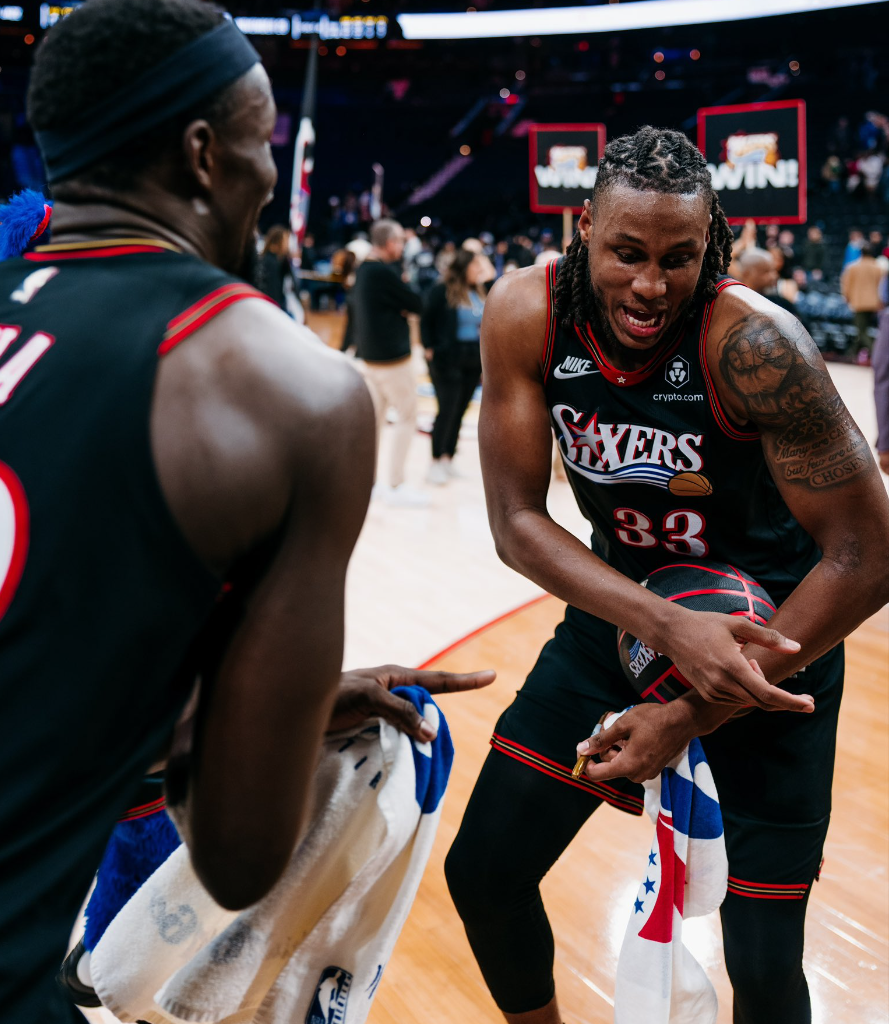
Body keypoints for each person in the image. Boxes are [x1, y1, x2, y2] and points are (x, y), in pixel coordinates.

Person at [0, 4, 494, 1022]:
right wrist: (273, 714)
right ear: (201, 153)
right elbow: (236, 852)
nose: (271, 172)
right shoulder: (277, 387)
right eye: (263, 139)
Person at [446, 126, 889, 1024]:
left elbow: (867, 553)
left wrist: (692, 711)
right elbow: (516, 522)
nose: (649, 285)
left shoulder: (755, 345)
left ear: (710, 242)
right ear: (584, 229)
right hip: (618, 621)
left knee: (762, 964)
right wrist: (661, 623)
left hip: (774, 640)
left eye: (677, 258)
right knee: (484, 872)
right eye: (626, 253)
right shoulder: (526, 313)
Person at [349, 218, 428, 507]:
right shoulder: (382, 272)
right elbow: (416, 303)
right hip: (392, 360)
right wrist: (403, 303)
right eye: (401, 242)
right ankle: (395, 484)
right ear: (391, 243)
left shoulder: (364, 269)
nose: (403, 247)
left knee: (376, 423)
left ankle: (368, 484)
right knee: (407, 417)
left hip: (370, 358)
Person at [421, 247, 493, 484]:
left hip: (473, 358)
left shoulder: (480, 290)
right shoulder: (441, 290)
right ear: (464, 267)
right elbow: (426, 319)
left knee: (461, 409)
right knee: (447, 409)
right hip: (447, 358)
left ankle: (448, 458)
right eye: (475, 265)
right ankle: (435, 460)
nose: (479, 269)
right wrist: (429, 347)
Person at [841, 243, 884, 362]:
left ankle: (875, 353)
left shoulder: (853, 267)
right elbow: (881, 286)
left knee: (862, 330)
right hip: (874, 302)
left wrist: (847, 297)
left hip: (859, 302)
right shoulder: (878, 267)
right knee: (863, 329)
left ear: (861, 253)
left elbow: (846, 284)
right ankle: (852, 352)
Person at [733, 245, 798, 314]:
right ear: (747, 273)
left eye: (773, 271)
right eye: (766, 272)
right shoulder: (735, 300)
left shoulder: (779, 303)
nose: (774, 276)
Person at [256, 223, 297, 312]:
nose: (287, 245)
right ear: (278, 242)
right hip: (272, 306)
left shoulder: (279, 260)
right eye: (285, 241)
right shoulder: (270, 261)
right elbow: (272, 289)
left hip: (276, 304)